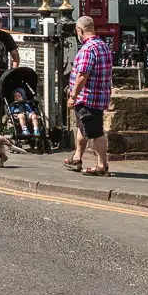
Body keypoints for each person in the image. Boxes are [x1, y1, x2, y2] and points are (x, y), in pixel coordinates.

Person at [63, 16, 113, 177]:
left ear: (80, 30)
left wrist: (73, 95)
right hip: (99, 95)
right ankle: (77, 158)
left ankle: (102, 165)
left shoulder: (87, 49)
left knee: (95, 131)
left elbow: (82, 75)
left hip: (88, 97)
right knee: (83, 127)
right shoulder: (103, 46)